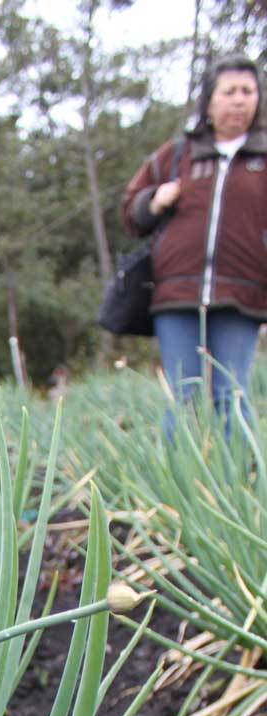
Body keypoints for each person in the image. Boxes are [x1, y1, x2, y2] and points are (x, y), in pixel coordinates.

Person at [121, 54, 267, 433]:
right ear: (210, 100)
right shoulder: (179, 153)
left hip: (243, 294)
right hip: (177, 293)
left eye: (247, 91)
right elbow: (130, 209)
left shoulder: (263, 159)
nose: (239, 100)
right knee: (182, 397)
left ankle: (239, 486)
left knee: (230, 397)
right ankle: (169, 488)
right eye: (229, 91)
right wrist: (154, 201)